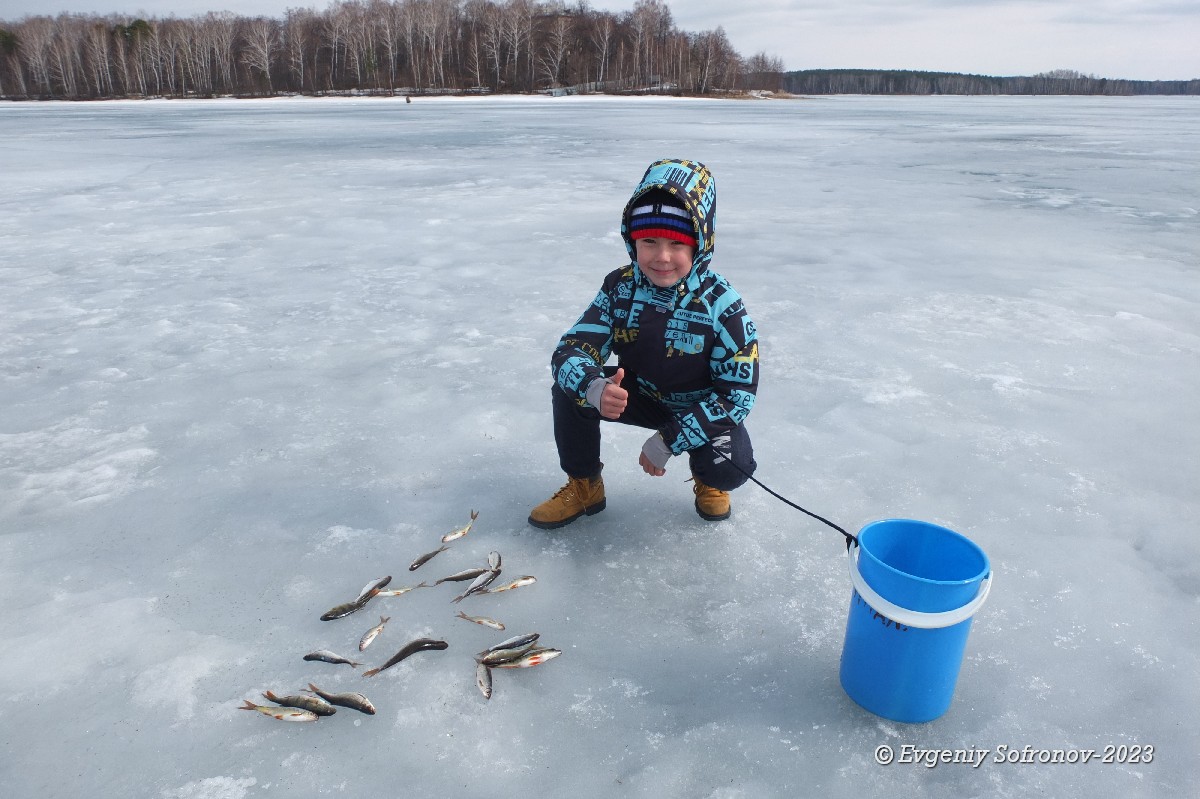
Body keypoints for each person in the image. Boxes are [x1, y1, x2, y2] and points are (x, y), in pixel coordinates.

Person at [528, 158, 759, 529]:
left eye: (677, 244)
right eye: (649, 241)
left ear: (699, 245)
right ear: (632, 239)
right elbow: (571, 347)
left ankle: (708, 482)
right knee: (568, 389)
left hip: (700, 407)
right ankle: (585, 485)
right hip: (642, 395)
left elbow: (738, 395)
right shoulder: (619, 287)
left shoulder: (723, 305)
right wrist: (593, 386)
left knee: (726, 467)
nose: (662, 256)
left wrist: (669, 439)